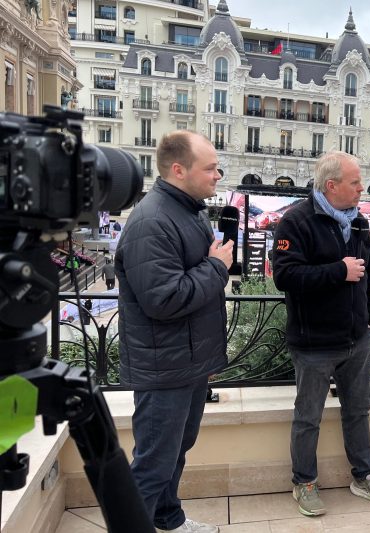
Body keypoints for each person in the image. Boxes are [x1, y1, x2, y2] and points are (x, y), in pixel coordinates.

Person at [115, 131, 233, 533]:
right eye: (210, 168)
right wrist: (217, 267)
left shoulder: (188, 210)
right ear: (179, 170)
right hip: (163, 368)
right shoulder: (152, 221)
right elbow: (163, 299)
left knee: (175, 452)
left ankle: (168, 519)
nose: (218, 175)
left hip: (187, 363)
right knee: (152, 464)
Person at [272, 151, 370, 518]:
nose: (362, 188)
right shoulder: (296, 221)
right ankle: (304, 482)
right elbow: (284, 276)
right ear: (332, 185)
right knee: (307, 417)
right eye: (355, 182)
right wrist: (338, 271)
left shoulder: (358, 222)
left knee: (358, 411)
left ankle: (364, 476)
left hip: (357, 339)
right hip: (313, 343)